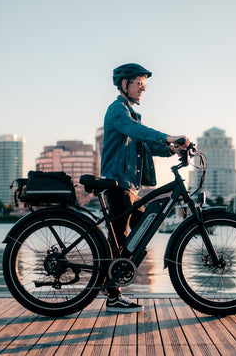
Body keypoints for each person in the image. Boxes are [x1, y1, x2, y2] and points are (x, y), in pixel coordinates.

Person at [101, 63, 189, 312]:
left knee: (141, 230)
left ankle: (112, 282)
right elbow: (135, 131)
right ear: (124, 84)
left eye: (144, 83)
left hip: (128, 186)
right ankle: (113, 294)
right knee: (120, 240)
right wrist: (168, 136)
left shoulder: (129, 113)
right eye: (139, 83)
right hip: (117, 183)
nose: (143, 88)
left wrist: (171, 148)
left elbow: (145, 145)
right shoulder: (118, 110)